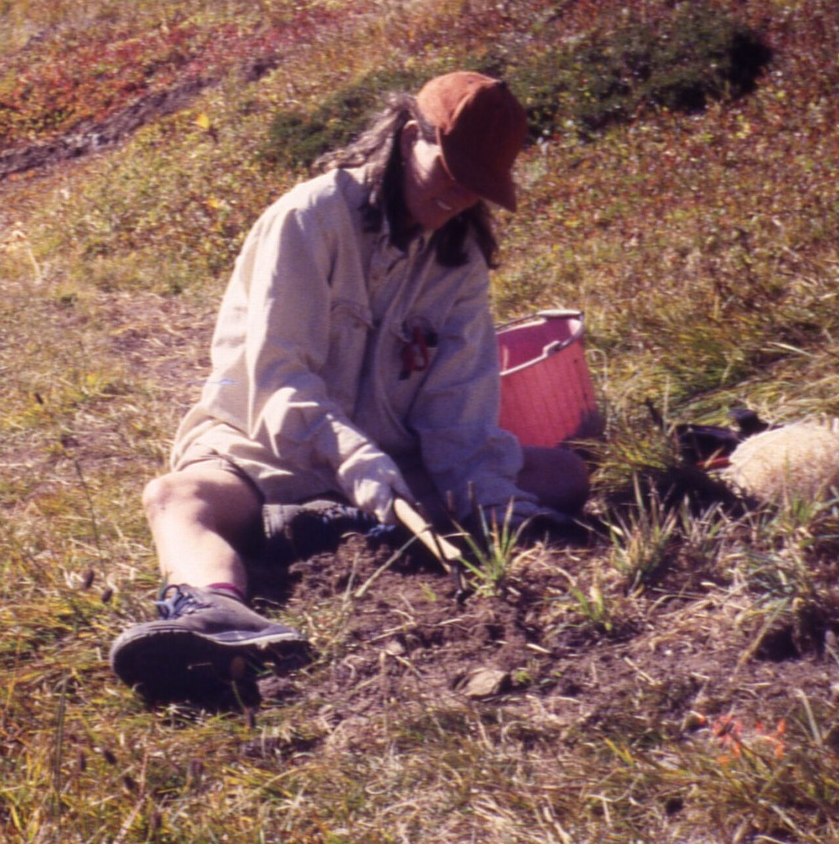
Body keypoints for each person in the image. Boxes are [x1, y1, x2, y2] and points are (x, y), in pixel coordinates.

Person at [109, 71, 590, 701]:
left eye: (477, 186)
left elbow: (459, 409)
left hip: (393, 470)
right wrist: (352, 456)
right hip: (266, 451)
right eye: (451, 169)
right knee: (175, 498)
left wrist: (492, 501)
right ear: (408, 132)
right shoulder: (309, 219)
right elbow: (278, 375)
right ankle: (213, 611)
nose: (459, 197)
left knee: (562, 476)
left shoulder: (459, 263)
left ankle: (312, 527)